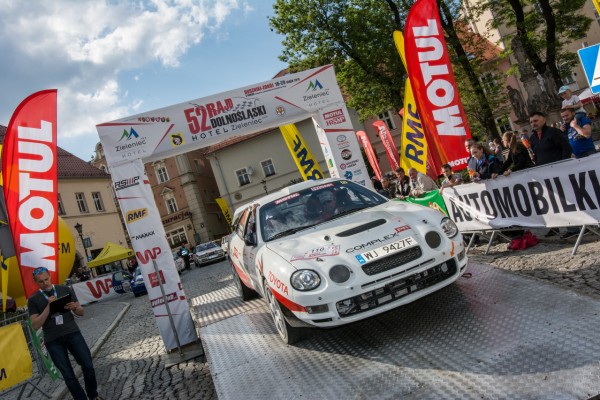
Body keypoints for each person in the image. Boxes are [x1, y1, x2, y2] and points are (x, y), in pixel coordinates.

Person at [28, 267, 100, 400]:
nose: (45, 283)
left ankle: (93, 395)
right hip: (53, 340)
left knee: (88, 365)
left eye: (46, 279)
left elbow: (81, 312)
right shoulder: (33, 299)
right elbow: (35, 324)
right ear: (35, 282)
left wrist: (75, 307)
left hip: (72, 332)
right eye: (41, 282)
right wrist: (49, 307)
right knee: (69, 376)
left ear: (50, 276)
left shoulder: (64, 289)